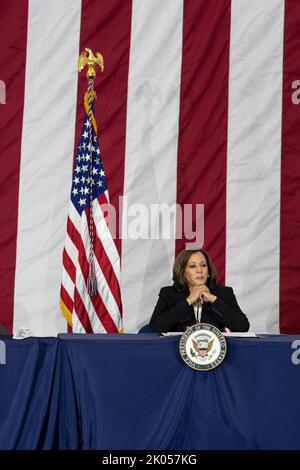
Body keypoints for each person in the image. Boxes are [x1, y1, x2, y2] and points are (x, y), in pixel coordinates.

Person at [150, 249, 250, 333]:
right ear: (183, 272)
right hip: (176, 351)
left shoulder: (224, 293)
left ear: (208, 271)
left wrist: (214, 300)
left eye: (203, 265)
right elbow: (156, 328)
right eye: (192, 266)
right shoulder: (169, 294)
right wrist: (188, 301)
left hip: (215, 352)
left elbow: (242, 327)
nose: (199, 270)